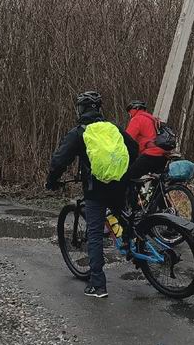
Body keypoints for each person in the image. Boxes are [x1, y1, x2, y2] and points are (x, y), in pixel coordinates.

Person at [45, 91, 139, 298]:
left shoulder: (79, 132)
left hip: (96, 188)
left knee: (95, 233)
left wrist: (51, 181)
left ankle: (97, 284)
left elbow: (59, 160)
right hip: (120, 183)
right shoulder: (113, 128)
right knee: (123, 215)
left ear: (81, 110)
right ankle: (135, 249)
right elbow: (134, 148)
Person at [125, 100, 169, 180]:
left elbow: (128, 138)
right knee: (155, 183)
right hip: (163, 155)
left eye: (129, 112)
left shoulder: (137, 119)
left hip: (150, 155)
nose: (129, 114)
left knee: (129, 176)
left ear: (135, 109)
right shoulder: (153, 119)